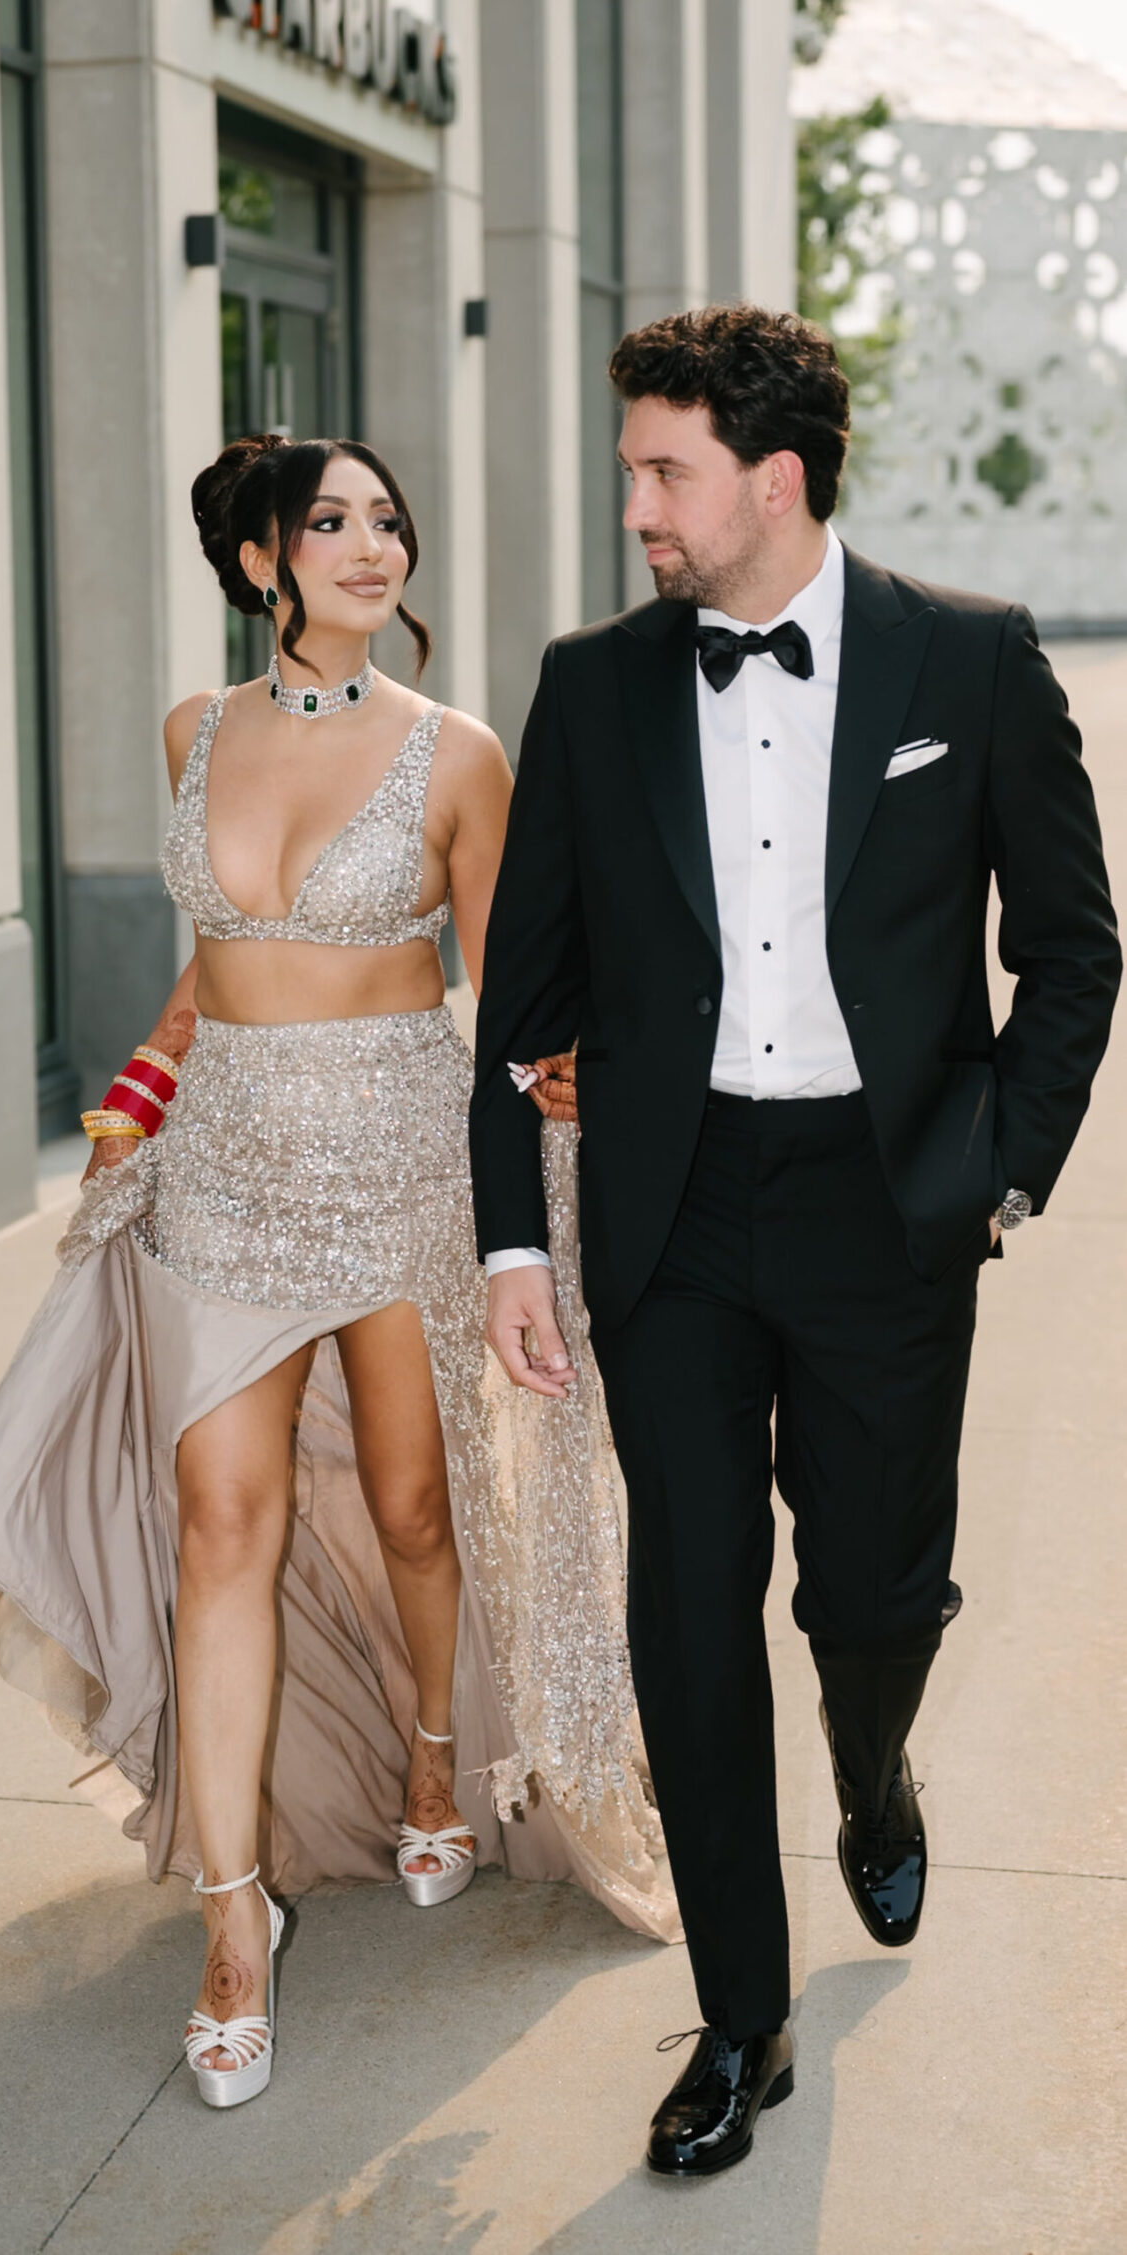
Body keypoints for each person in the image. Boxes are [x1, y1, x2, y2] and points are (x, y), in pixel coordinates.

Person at [0, 433, 678, 2115]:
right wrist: (141, 1086)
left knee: (414, 1509)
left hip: (403, 1165)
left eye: (387, 522)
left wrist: (579, 1081)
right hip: (226, 1178)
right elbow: (213, 961)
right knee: (223, 1524)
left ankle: (434, 1756)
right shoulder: (193, 730)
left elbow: (514, 984)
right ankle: (230, 1920)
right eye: (331, 523)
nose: (371, 547)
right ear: (263, 560)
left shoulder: (458, 752)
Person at [471, 305, 1120, 2178]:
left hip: (885, 1204)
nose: (637, 508)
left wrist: (1001, 1169)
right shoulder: (594, 684)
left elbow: (1073, 949)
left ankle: (873, 1762)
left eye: (663, 472)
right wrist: (515, 1245)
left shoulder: (970, 659)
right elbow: (523, 1004)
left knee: (876, 1593)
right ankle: (741, 2018)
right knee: (688, 1607)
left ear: (774, 478)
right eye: (632, 471)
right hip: (671, 1216)